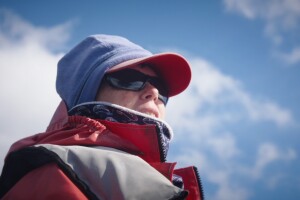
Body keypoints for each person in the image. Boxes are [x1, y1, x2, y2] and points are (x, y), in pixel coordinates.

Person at [0, 34, 204, 200]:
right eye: (131, 79)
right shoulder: (56, 173)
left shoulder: (157, 179)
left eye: (162, 88)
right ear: (88, 92)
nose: (154, 92)